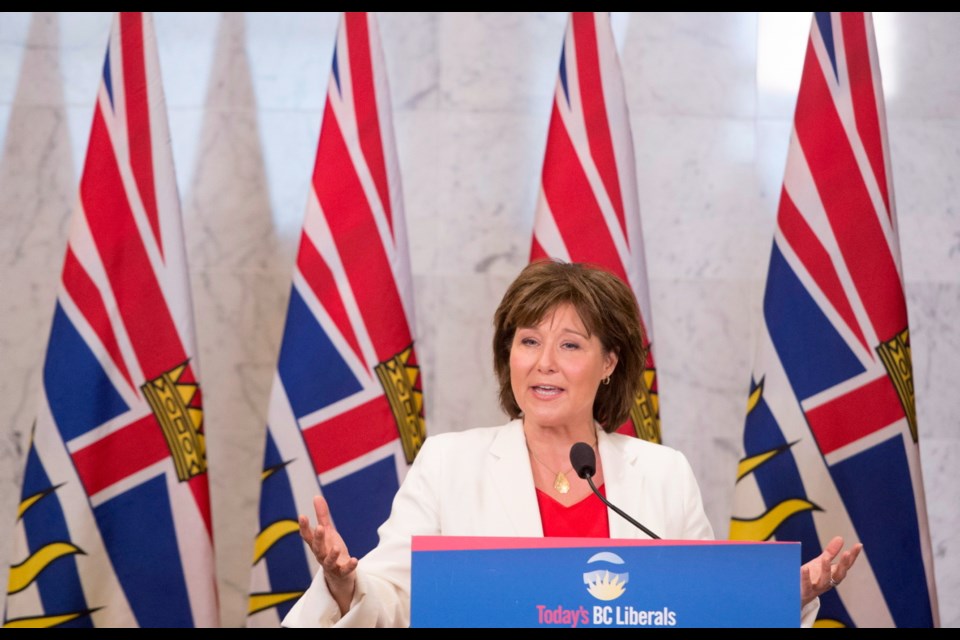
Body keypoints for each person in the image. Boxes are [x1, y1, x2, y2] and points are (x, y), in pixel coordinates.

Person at [282, 259, 862, 628]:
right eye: (528, 340)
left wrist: (779, 600)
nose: (543, 364)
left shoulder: (663, 475)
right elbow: (392, 599)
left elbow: (697, 608)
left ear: (610, 362)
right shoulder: (451, 463)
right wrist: (345, 584)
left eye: (570, 346)